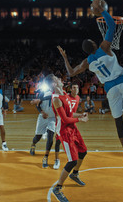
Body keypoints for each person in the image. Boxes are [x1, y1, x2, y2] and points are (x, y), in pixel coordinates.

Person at [57, 0, 123, 168]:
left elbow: (70, 72)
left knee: (119, 122)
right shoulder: (104, 48)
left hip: (110, 89)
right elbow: (112, 27)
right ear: (93, 44)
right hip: (122, 82)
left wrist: (64, 58)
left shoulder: (87, 62)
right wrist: (102, 11)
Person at [46, 74, 89, 202]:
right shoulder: (56, 99)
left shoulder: (64, 93)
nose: (60, 79)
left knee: (83, 151)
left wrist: (80, 114)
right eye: (57, 79)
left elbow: (70, 114)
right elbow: (64, 119)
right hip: (64, 131)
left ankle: (74, 174)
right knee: (73, 161)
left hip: (72, 127)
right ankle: (58, 188)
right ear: (54, 84)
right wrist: (80, 119)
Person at [29, 82, 62, 170]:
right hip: (43, 117)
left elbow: (51, 97)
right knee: (38, 137)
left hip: (53, 118)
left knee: (50, 137)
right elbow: (38, 104)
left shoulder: (58, 92)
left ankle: (45, 157)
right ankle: (33, 144)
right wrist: (41, 112)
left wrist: (42, 99)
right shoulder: (43, 92)